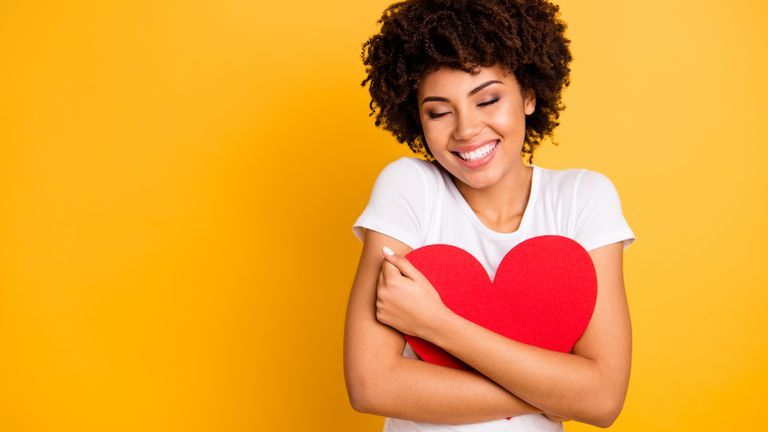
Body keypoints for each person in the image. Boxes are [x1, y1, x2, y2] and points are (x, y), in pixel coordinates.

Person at [343, 1, 636, 431]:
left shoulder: (583, 198)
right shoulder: (409, 188)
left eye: (488, 100)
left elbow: (604, 399)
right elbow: (371, 385)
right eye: (439, 111)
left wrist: (437, 324)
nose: (465, 129)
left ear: (529, 95)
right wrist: (555, 392)